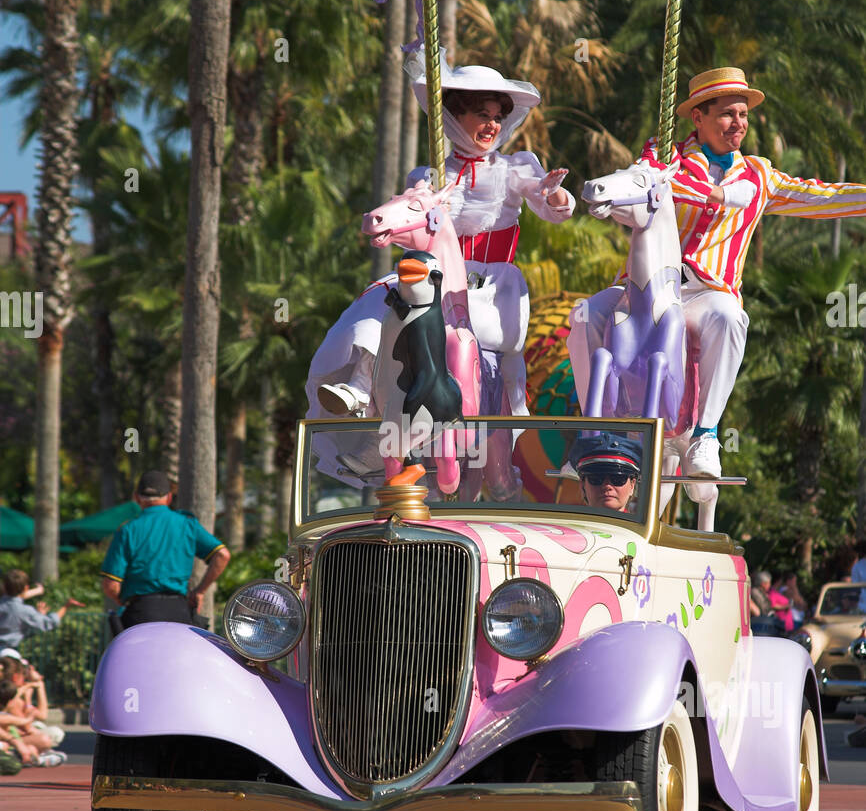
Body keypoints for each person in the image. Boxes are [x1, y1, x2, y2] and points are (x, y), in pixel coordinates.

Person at [570, 66, 866, 478]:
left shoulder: (759, 175)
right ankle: (590, 428)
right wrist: (718, 194)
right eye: (728, 114)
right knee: (584, 315)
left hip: (708, 295)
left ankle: (705, 434)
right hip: (647, 288)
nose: (738, 124)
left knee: (730, 317)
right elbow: (645, 185)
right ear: (699, 117)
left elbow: (821, 196)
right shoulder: (665, 156)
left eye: (743, 115)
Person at [311, 61, 575, 421]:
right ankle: (359, 387)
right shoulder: (429, 175)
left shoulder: (514, 168)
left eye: (498, 117)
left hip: (492, 289)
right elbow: (409, 225)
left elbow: (549, 202)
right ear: (454, 116)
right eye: (482, 114)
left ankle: (512, 409)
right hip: (435, 279)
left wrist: (554, 194)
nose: (492, 125)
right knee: (386, 298)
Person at [100, 470, 231, 628]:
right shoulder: (187, 524)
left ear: (136, 497)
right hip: (179, 612)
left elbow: (111, 584)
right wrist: (200, 591)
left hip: (141, 613)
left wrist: (124, 600)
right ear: (169, 498)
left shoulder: (128, 530)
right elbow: (222, 555)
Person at [0, 569, 83, 652]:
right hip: (7, 653)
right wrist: (66, 606)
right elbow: (50, 622)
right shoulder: (25, 611)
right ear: (26, 588)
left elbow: (12, 600)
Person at [567, 431, 643, 514]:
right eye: (596, 478)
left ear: (632, 485)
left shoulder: (650, 527)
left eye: (618, 478)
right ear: (583, 485)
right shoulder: (563, 526)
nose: (607, 486)